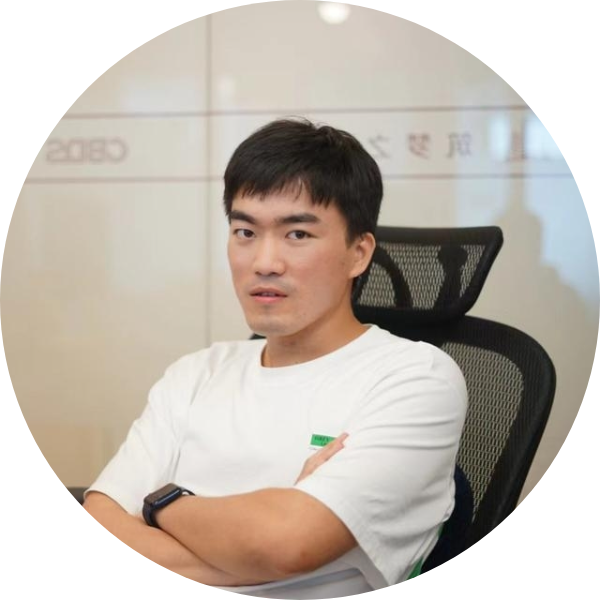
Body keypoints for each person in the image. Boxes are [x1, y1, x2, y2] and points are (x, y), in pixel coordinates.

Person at [83, 117, 468, 597]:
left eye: (297, 234)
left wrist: (160, 504)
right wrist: (257, 537)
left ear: (359, 253)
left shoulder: (416, 379)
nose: (264, 262)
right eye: (245, 231)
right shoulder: (196, 373)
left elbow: (286, 544)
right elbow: (102, 514)